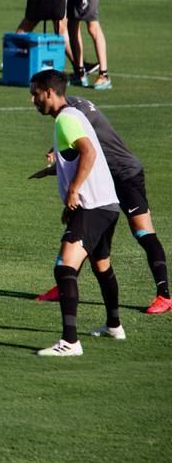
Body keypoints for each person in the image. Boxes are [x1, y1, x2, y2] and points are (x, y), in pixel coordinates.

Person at [31, 95, 170, 314]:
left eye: (37, 93)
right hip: (102, 178)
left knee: (143, 232)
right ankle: (65, 284)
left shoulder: (73, 110)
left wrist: (56, 161)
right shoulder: (74, 104)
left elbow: (86, 148)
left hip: (124, 173)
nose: (34, 100)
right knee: (86, 232)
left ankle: (164, 295)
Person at [29, 70, 125, 357]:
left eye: (35, 94)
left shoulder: (66, 119)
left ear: (49, 92)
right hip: (106, 204)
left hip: (92, 206)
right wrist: (59, 180)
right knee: (101, 266)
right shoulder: (74, 115)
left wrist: (73, 191)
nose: (33, 100)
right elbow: (77, 157)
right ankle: (114, 326)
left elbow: (89, 153)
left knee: (64, 268)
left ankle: (70, 342)